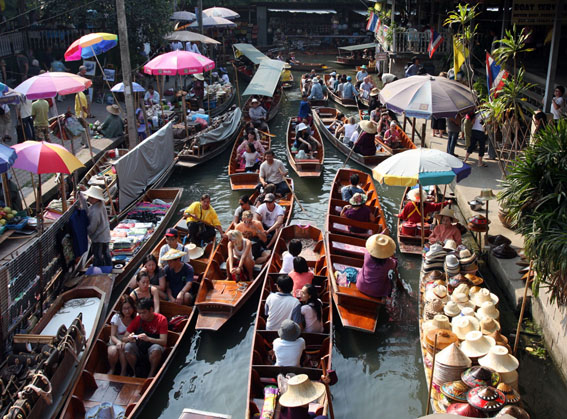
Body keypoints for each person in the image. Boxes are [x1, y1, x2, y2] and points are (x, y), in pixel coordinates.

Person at [124, 298, 168, 378]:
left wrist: (148, 339)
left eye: (144, 313)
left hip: (153, 345)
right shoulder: (138, 319)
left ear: (151, 310)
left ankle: (151, 374)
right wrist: (129, 338)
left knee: (156, 350)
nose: (141, 316)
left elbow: (164, 341)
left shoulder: (161, 319)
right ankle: (135, 372)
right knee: (127, 347)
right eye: (139, 313)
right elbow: (124, 338)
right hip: (140, 346)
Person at [356, 234, 398, 299]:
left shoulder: (367, 255)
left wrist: (381, 234)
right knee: (391, 281)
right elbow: (395, 263)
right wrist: (392, 256)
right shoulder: (389, 263)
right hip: (377, 292)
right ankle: (388, 296)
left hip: (361, 286)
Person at [80, 186, 111, 268]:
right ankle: (108, 267)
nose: (88, 199)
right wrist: (84, 191)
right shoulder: (100, 204)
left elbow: (92, 227)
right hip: (105, 235)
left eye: (90, 197)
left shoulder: (96, 211)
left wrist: (85, 233)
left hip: (99, 237)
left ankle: (100, 271)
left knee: (98, 255)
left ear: (95, 199)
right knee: (106, 253)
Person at [108, 295, 137, 375]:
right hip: (116, 340)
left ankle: (126, 370)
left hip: (129, 340)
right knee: (112, 352)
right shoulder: (116, 318)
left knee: (125, 347)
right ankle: (113, 368)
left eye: (129, 308)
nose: (127, 311)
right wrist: (118, 342)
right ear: (121, 309)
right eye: (124, 308)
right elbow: (113, 335)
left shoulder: (136, 317)